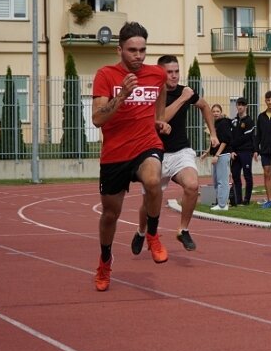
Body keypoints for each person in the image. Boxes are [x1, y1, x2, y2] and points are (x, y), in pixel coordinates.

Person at [91, 22, 172, 292]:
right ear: (120, 49)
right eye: (132, 50)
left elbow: (159, 95)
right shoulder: (106, 75)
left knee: (153, 180)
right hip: (115, 154)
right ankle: (105, 260)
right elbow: (97, 119)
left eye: (142, 50)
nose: (138, 55)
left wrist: (159, 120)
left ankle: (152, 233)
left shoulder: (157, 74)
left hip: (146, 144)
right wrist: (123, 94)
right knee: (110, 215)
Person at [133, 55, 216, 254]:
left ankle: (183, 229)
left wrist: (213, 133)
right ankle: (142, 231)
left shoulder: (185, 91)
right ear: (161, 73)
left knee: (193, 185)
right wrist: (183, 98)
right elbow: (160, 119)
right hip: (155, 154)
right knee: (149, 201)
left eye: (177, 71)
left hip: (180, 151)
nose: (174, 76)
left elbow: (204, 106)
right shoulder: (153, 93)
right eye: (169, 72)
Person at [202, 104, 233, 210]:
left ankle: (223, 205)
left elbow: (225, 140)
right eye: (213, 111)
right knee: (216, 181)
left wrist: (217, 155)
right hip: (217, 155)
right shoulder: (214, 124)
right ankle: (220, 202)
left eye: (217, 111)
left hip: (223, 155)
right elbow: (214, 140)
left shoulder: (223, 123)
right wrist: (207, 152)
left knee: (222, 181)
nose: (215, 113)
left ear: (221, 112)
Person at [230, 97, 255, 206]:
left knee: (247, 175)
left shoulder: (249, 121)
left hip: (246, 152)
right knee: (235, 175)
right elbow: (230, 137)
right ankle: (238, 199)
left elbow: (246, 137)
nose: (240, 107)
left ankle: (247, 200)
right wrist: (231, 150)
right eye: (238, 104)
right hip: (235, 153)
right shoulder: (234, 121)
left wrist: (234, 144)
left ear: (246, 107)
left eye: (242, 105)